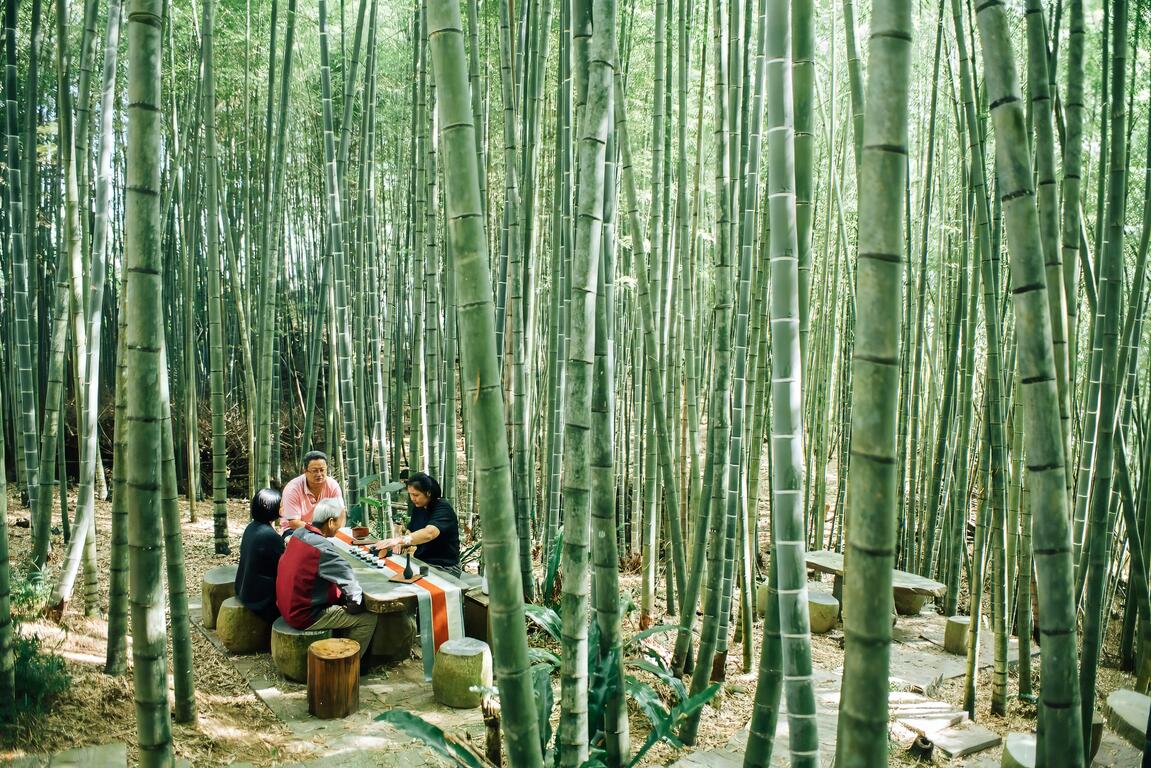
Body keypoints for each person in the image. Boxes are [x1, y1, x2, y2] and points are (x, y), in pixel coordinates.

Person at [275, 498, 377, 659]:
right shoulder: (322, 548)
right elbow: (351, 587)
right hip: (304, 615)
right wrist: (354, 606)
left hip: (285, 606)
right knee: (368, 617)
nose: (341, 526)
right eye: (341, 521)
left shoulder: (299, 533)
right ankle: (348, 663)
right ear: (330, 522)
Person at [376, 472, 461, 576]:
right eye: (410, 494)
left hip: (444, 567)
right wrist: (401, 544)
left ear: (428, 493)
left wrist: (398, 540)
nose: (412, 498)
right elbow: (411, 532)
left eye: (416, 495)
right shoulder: (418, 507)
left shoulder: (443, 508)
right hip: (423, 562)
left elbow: (429, 534)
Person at [235, 488, 286, 623]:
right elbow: (284, 568)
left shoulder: (251, 527)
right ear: (271, 508)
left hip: (244, 588)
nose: (283, 508)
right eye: (280, 505)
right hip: (261, 599)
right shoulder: (270, 536)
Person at [280, 450, 343, 530]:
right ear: (305, 471)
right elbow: (294, 523)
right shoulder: (292, 489)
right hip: (295, 530)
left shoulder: (333, 486)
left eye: (322, 470)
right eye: (315, 471)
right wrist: (317, 530)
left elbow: (339, 514)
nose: (319, 474)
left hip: (323, 530)